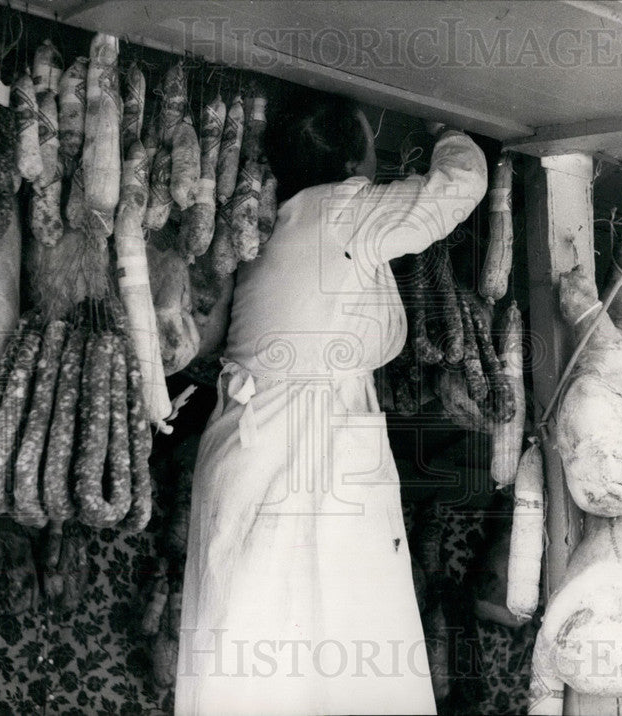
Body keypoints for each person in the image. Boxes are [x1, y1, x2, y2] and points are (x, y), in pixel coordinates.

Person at [175, 93, 487, 715]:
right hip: (305, 440)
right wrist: (447, 124)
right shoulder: (346, 209)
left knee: (253, 634)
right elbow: (461, 184)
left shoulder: (275, 221)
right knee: (335, 635)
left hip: (249, 433)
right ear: (352, 161)